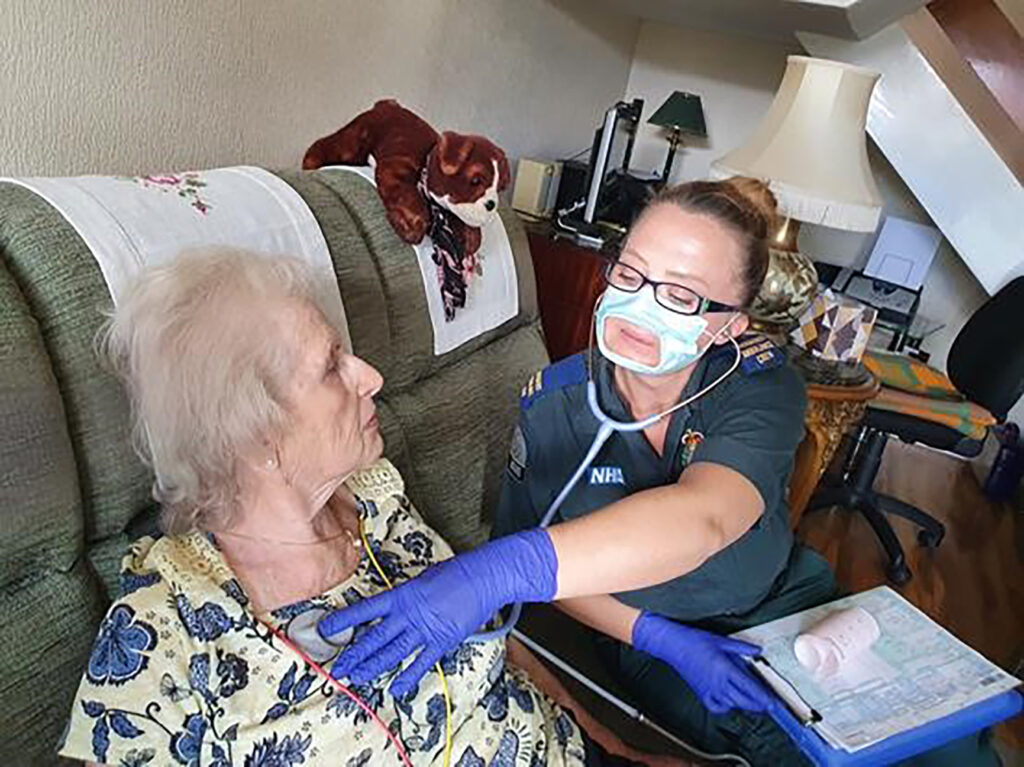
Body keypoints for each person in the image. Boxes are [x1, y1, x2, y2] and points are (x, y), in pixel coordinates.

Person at [318, 179, 998, 766]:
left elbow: (706, 514)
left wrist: (501, 567)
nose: (641, 305)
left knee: (947, 741)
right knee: (793, 744)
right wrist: (661, 639)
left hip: (789, 602)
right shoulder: (554, 405)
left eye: (681, 295)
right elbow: (554, 576)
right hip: (659, 633)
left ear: (727, 325)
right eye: (631, 275)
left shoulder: (759, 384)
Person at [58, 250, 688, 767]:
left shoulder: (378, 502)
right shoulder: (168, 626)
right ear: (257, 437)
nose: (371, 377)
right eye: (332, 367)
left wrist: (619, 749)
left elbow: (498, 651)